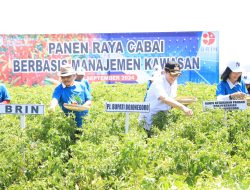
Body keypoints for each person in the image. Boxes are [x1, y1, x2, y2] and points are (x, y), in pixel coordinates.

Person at [139, 61, 193, 133]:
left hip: (163, 119)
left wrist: (183, 103)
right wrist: (183, 107)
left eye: (176, 75)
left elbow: (171, 99)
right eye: (172, 75)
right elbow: (164, 98)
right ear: (165, 72)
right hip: (149, 121)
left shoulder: (174, 82)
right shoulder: (158, 82)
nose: (174, 77)